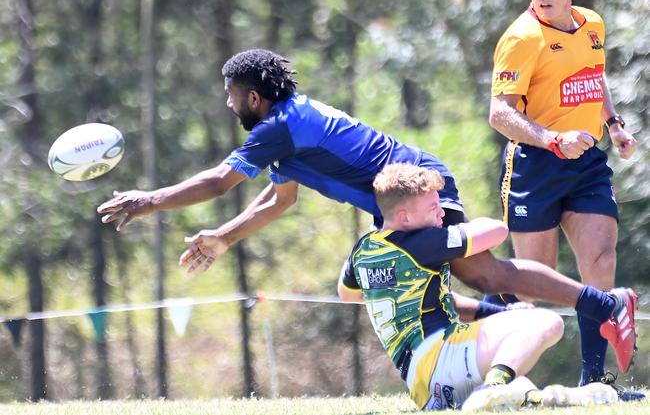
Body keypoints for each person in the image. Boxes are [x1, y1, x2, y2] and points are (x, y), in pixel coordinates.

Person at [96, 49, 638, 388]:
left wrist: (148, 201)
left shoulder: (277, 130)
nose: (228, 103)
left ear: (252, 97)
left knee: (483, 272)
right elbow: (277, 201)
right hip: (407, 190)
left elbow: (218, 182)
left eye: (230, 95)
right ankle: (544, 316)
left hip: (417, 185)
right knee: (444, 280)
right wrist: (223, 237)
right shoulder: (287, 126)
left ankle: (602, 305)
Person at [337, 163, 618, 411]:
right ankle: (493, 387)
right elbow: (497, 231)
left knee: (519, 383)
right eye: (433, 208)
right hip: (441, 357)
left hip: (423, 386)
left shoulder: (362, 251)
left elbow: (347, 294)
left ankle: (544, 398)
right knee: (547, 322)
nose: (441, 215)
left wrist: (496, 314)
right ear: (405, 218)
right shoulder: (423, 242)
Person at [487, 0, 641, 397]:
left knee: (600, 259)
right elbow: (499, 114)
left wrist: (613, 124)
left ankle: (594, 380)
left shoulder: (592, 25)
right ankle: (502, 380)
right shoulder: (521, 38)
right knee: (531, 284)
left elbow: (594, 76)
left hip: (586, 161)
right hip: (535, 165)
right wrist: (554, 139)